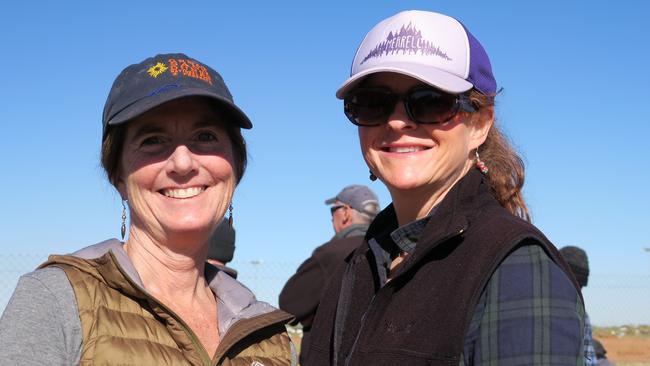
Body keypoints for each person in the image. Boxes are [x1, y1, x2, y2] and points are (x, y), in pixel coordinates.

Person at [305, 10, 586, 366]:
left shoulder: (517, 269)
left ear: (480, 124)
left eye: (429, 101)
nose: (396, 120)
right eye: (372, 103)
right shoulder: (357, 268)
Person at [0, 53, 295, 365]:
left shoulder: (268, 336)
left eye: (205, 136)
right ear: (118, 176)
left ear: (236, 167)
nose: (183, 163)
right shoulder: (56, 300)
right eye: (153, 140)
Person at [279, 184, 380, 363]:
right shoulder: (392, 250)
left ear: (346, 213)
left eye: (333, 210)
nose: (331, 218)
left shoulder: (332, 254)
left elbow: (289, 304)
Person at [560, 245, 598, 366]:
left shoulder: (581, 314)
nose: (577, 291)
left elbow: (589, 359)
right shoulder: (580, 313)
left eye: (580, 286)